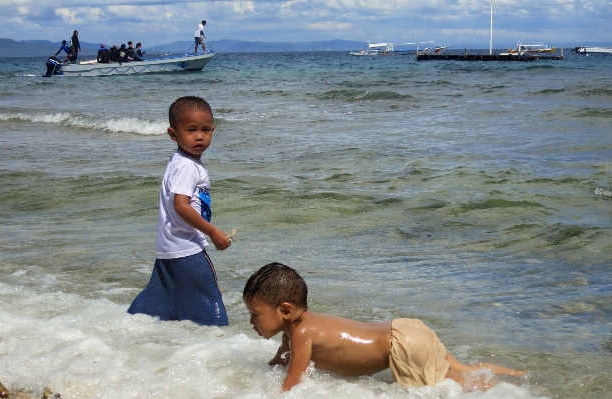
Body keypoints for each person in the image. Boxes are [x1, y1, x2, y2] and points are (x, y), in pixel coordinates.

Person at [243, 263, 527, 392]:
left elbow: (292, 385)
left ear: (286, 311)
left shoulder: (302, 334)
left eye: (255, 315)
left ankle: (506, 391)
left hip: (402, 348)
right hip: (406, 330)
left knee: (460, 386)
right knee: (460, 371)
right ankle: (515, 375)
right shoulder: (298, 329)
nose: (251, 322)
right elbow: (280, 360)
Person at [127, 96, 231, 327]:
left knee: (155, 305)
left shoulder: (178, 161)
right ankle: (218, 348)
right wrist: (212, 232)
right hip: (187, 247)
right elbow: (181, 206)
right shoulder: (188, 166)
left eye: (205, 130)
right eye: (191, 130)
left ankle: (124, 329)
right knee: (210, 312)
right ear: (173, 134)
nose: (199, 136)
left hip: (168, 247)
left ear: (213, 130)